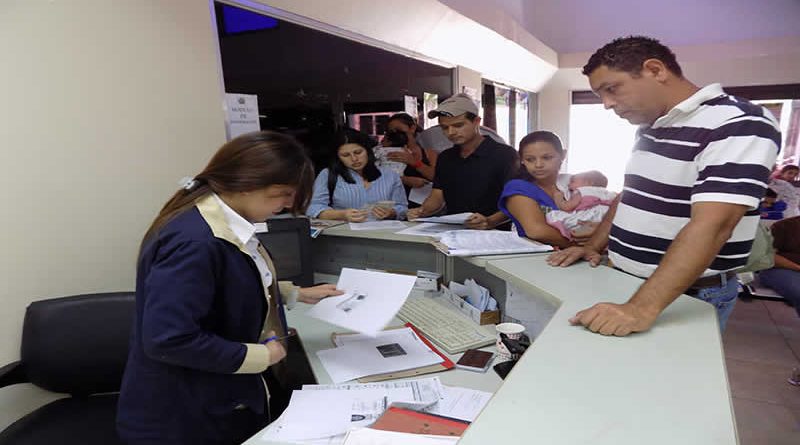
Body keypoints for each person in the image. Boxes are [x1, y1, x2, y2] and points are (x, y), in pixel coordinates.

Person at [117, 131, 344, 445]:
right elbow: (168, 339)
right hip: (187, 414)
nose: (287, 204)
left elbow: (229, 283)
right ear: (246, 184)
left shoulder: (225, 223)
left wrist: (295, 293)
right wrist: (264, 355)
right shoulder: (196, 241)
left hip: (214, 397)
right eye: (282, 193)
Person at [547, 36, 781, 336]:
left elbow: (715, 224)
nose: (606, 104)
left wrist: (640, 309)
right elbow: (631, 195)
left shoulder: (740, 122)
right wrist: (593, 246)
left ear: (655, 70)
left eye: (611, 89)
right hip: (623, 279)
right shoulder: (651, 126)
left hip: (683, 295)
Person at [407, 94, 519, 229]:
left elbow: (517, 201)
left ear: (476, 122)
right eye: (444, 127)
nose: (451, 132)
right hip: (454, 232)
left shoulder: (505, 155)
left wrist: (490, 221)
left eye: (458, 125)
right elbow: (437, 196)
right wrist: (421, 211)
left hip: (495, 235)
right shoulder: (446, 157)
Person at [307, 130, 408, 222]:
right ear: (338, 158)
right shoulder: (328, 175)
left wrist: (392, 213)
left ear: (368, 151)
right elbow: (313, 207)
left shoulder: (390, 175)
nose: (354, 159)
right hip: (344, 236)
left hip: (385, 234)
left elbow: (402, 207)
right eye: (346, 155)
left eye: (358, 152)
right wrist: (341, 214)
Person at [498, 131, 577, 247]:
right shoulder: (518, 187)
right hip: (533, 256)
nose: (538, 165)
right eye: (530, 159)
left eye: (547, 157)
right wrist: (587, 246)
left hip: (581, 257)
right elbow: (536, 231)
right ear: (522, 160)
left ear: (563, 155)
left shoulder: (572, 183)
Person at [380, 113, 438, 208]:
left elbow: (436, 177)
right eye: (391, 131)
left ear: (412, 128)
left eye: (398, 130)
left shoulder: (429, 153)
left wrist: (414, 162)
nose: (395, 133)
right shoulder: (385, 152)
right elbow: (377, 177)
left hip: (424, 204)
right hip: (395, 204)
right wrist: (404, 180)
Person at [547, 170, 617, 241]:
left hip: (588, 216)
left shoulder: (582, 191)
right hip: (604, 217)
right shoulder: (608, 193)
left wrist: (559, 199)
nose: (568, 184)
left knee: (553, 216)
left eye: (572, 181)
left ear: (589, 183)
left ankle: (568, 235)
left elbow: (567, 207)